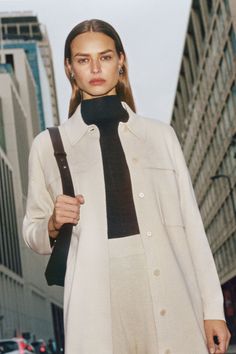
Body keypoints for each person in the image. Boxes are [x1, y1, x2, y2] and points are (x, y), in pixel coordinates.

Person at [23, 19, 231, 354]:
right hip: (97, 298)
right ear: (68, 68)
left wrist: (212, 310)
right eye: (82, 59)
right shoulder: (49, 146)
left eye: (104, 57)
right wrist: (51, 223)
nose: (95, 68)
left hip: (171, 288)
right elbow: (31, 232)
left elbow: (193, 228)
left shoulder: (161, 136)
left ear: (121, 61)